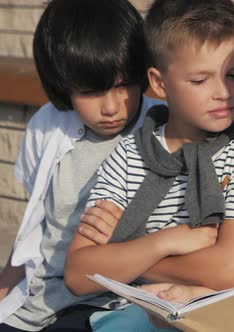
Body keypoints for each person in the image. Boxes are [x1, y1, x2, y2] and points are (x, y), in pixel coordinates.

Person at [63, 0, 234, 330]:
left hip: (214, 318)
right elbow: (78, 274)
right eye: (200, 81)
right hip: (126, 315)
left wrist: (125, 251)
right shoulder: (129, 154)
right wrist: (166, 241)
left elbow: (228, 271)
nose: (223, 92)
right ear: (159, 82)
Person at [0, 0, 163, 331]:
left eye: (122, 85)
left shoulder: (163, 128)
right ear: (63, 84)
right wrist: (6, 283)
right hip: (38, 298)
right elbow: (36, 223)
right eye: (91, 91)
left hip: (114, 301)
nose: (111, 107)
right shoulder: (47, 126)